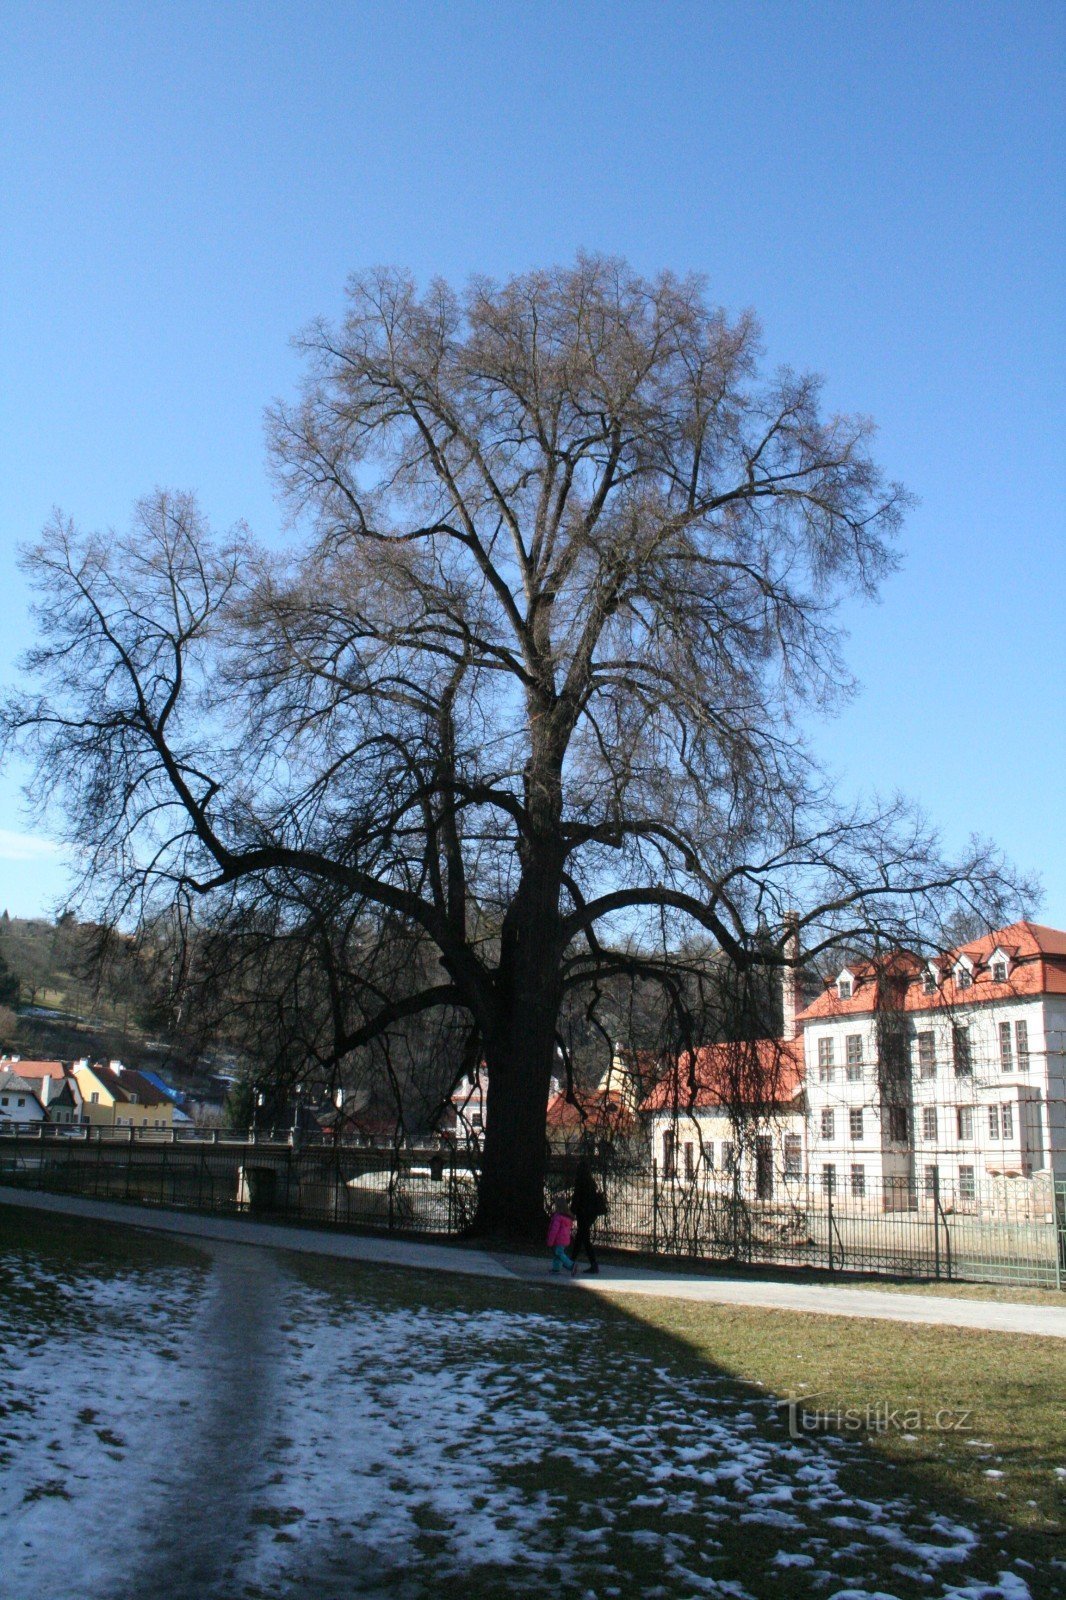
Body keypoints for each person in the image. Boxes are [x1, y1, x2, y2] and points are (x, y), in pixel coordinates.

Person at [570, 1159, 604, 1275]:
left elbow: (577, 1198)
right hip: (590, 1213)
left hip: (583, 1213)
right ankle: (571, 1261)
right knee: (581, 1237)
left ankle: (592, 1264)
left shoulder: (581, 1181)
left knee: (583, 1238)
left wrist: (572, 1211)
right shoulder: (590, 1181)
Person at [546, 1199, 576, 1274]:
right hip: (565, 1239)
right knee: (557, 1254)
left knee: (559, 1253)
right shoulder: (568, 1218)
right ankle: (555, 1269)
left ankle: (571, 1265)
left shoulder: (558, 1217)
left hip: (558, 1239)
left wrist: (550, 1241)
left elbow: (554, 1230)